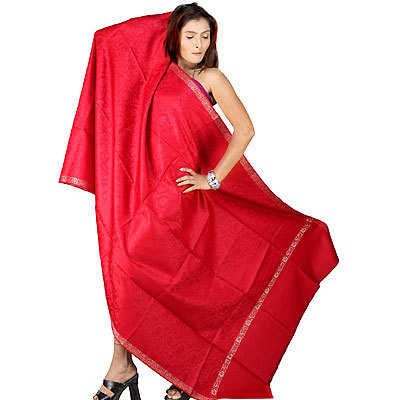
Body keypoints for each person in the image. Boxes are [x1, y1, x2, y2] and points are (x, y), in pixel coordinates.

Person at [92, 4, 256, 399]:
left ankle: (185, 373)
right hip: (146, 193)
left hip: (183, 198)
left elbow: (245, 130)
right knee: (124, 269)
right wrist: (167, 19)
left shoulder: (211, 78)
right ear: (174, 37)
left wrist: (212, 179)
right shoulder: (155, 73)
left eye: (205, 36)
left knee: (184, 283)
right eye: (190, 35)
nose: (199, 44)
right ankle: (122, 363)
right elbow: (107, 39)